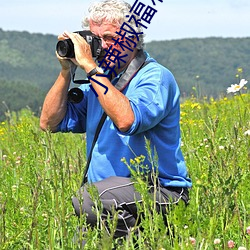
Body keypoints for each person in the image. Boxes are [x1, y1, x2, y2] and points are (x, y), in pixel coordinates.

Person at [40, 0, 192, 244]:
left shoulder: (154, 77)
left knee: (88, 200)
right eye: (94, 37)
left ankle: (146, 241)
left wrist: (90, 67)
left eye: (109, 37)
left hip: (160, 192)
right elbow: (49, 123)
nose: (101, 46)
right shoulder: (100, 82)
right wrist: (66, 70)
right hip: (110, 199)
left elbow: (127, 121)